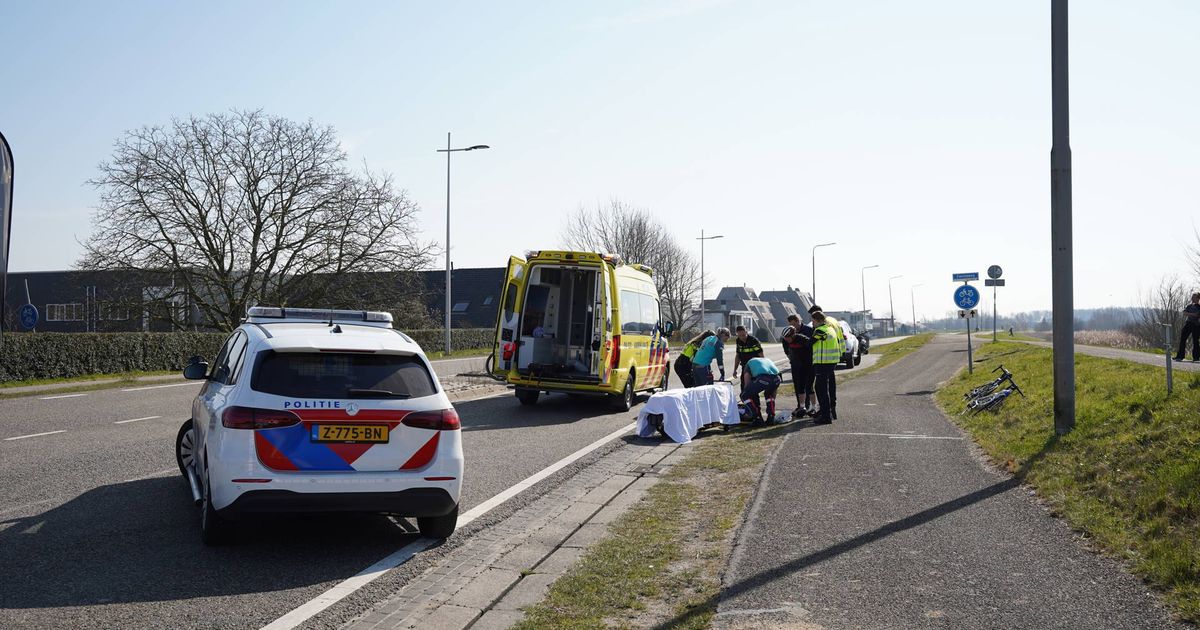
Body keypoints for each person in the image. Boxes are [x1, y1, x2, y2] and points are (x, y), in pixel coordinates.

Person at [808, 305, 844, 415]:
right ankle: (831, 409)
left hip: (824, 359)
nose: (812, 323)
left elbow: (812, 342)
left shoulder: (824, 326)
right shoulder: (833, 321)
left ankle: (826, 411)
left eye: (812, 319)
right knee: (830, 387)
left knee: (822, 388)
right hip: (833, 357)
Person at [781, 313, 815, 418]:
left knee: (809, 387)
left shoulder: (804, 337)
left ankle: (814, 407)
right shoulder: (785, 339)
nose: (786, 340)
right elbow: (787, 351)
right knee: (799, 387)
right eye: (785, 338)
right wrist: (793, 361)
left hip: (808, 365)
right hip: (796, 366)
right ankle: (802, 406)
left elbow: (812, 348)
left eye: (788, 338)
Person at [741, 356, 782, 425]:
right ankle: (771, 416)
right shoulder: (767, 359)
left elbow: (747, 384)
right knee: (769, 394)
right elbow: (774, 391)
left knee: (744, 395)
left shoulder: (748, 364)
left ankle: (757, 417)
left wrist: (748, 392)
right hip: (777, 379)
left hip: (764, 378)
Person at [731, 325, 764, 394]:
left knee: (753, 386)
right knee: (743, 385)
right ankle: (746, 402)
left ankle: (755, 403)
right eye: (740, 335)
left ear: (746, 332)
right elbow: (738, 356)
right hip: (745, 366)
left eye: (743, 335)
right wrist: (735, 370)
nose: (742, 337)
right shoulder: (738, 341)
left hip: (755, 366)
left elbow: (761, 355)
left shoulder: (753, 341)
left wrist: (763, 368)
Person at [1176, 292, 1200, 362]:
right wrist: (1192, 314)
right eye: (1192, 297)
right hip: (1188, 324)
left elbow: (1197, 315)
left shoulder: (1199, 307)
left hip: (1196, 325)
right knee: (1183, 338)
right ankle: (1180, 356)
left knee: (1195, 341)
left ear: (1198, 298)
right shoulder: (1189, 306)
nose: (1192, 298)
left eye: (1194, 297)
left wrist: (1189, 314)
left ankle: (1196, 357)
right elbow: (1184, 313)